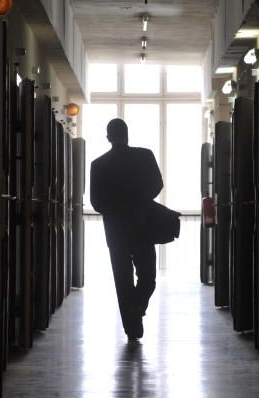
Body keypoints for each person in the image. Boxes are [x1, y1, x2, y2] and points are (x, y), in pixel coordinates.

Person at [90, 118, 163, 341]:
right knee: (148, 276)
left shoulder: (98, 164)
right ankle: (137, 308)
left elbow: (96, 202)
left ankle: (132, 327)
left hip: (115, 229)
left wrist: (116, 211)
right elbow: (157, 184)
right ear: (127, 134)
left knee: (122, 278)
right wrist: (139, 202)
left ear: (108, 137)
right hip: (142, 225)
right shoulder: (144, 156)